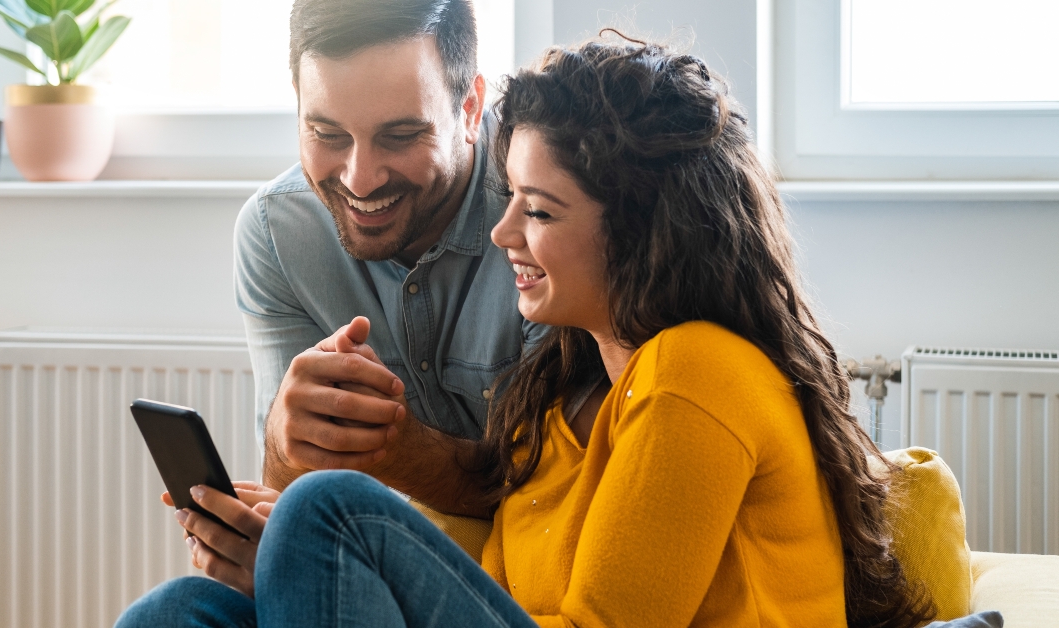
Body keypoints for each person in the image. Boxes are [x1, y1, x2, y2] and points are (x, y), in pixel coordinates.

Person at [119, 33, 1018, 628]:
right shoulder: (564, 398)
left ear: (638, 232)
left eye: (539, 211)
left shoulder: (697, 372)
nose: (504, 233)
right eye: (509, 200)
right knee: (179, 613)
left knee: (331, 508)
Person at [126, 0, 543, 602]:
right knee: (173, 608)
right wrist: (282, 451)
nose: (359, 178)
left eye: (400, 135)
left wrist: (394, 452)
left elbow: (557, 494)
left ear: (471, 107)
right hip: (369, 568)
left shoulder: (538, 210)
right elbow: (292, 485)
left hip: (513, 580)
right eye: (326, 134)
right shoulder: (276, 232)